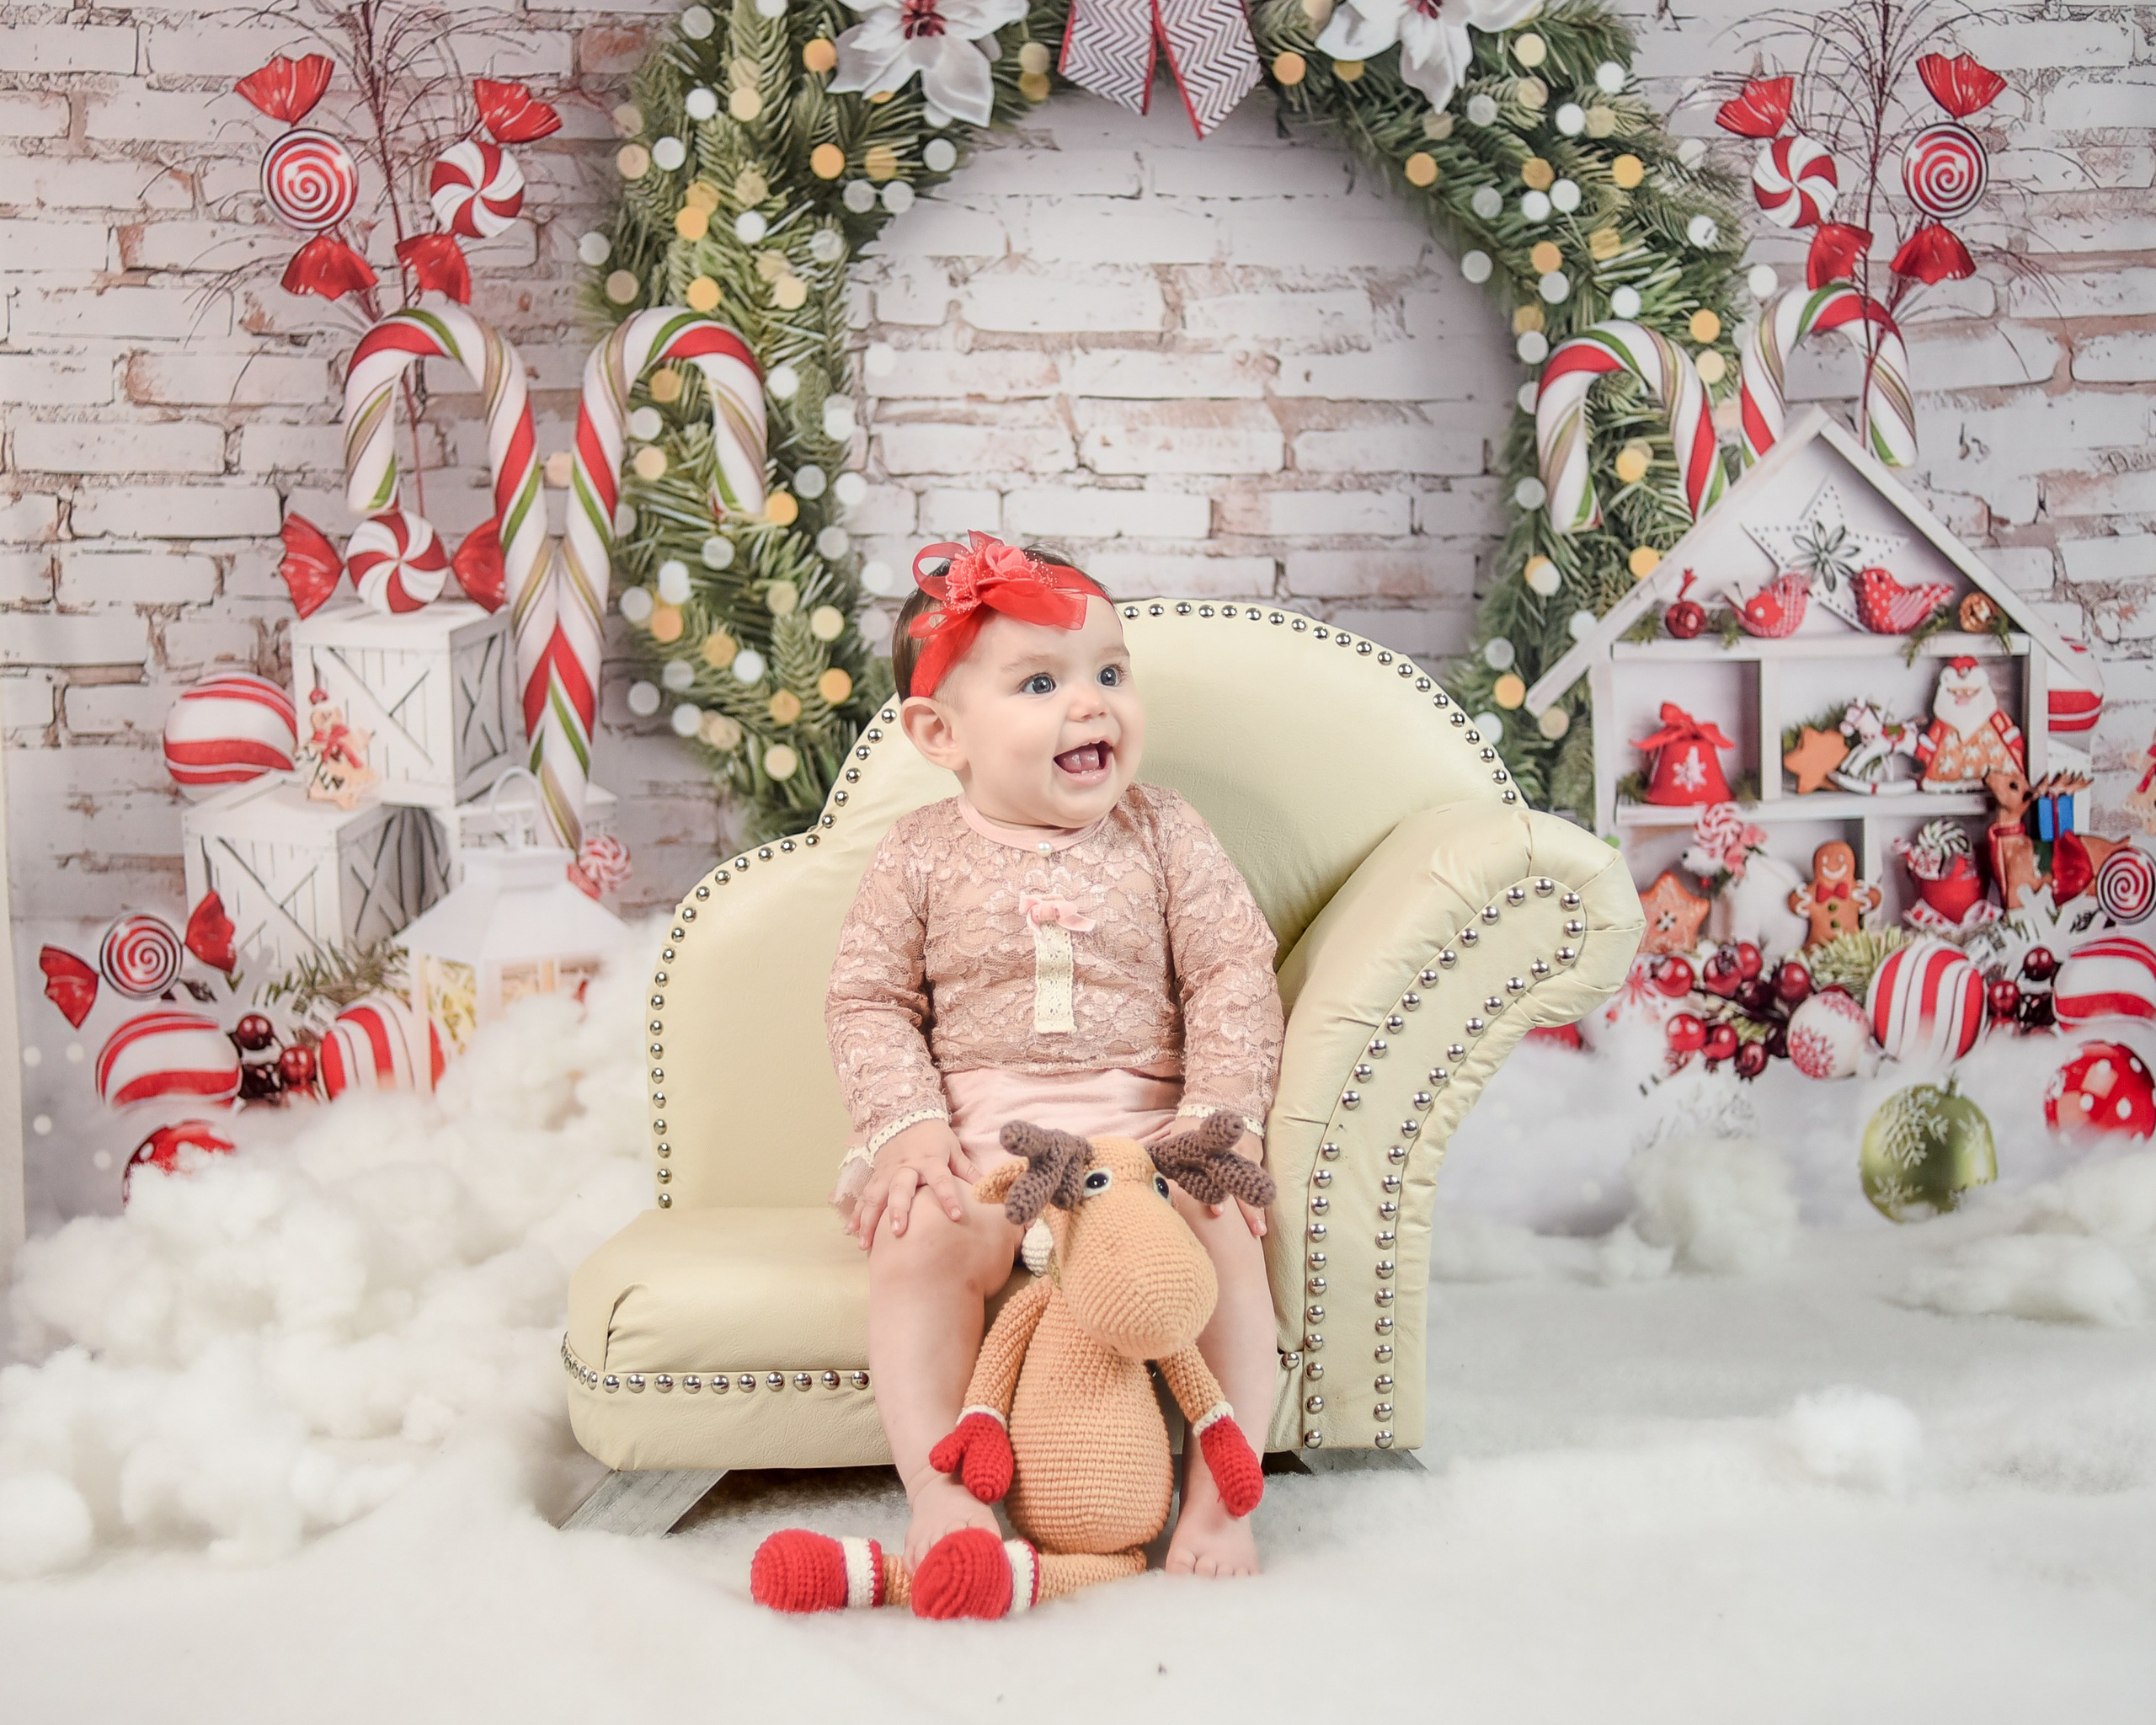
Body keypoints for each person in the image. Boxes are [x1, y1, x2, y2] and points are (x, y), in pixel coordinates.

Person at [826, 531, 1283, 1579]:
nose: (1092, 704)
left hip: (1147, 1140)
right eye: (1041, 682)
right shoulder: (917, 854)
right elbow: (867, 997)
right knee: (921, 1236)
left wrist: (1221, 1113)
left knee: (1221, 1224)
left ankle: (1221, 1498)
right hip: (981, 1137)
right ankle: (942, 1494)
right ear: (940, 731)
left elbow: (1230, 972)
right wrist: (909, 1126)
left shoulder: (1165, 831)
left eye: (1110, 673)